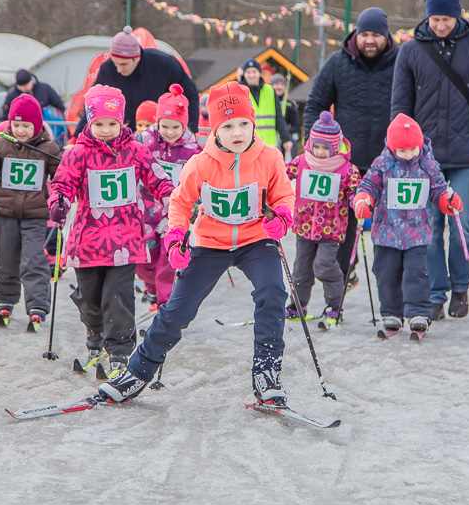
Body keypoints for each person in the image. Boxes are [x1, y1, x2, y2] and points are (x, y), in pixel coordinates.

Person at [98, 81, 295, 405]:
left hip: (255, 239)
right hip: (210, 243)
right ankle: (137, 371)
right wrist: (176, 238)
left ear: (253, 124)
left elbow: (284, 193)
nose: (237, 132)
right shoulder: (201, 163)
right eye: (228, 125)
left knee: (273, 292)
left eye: (244, 124)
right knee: (177, 310)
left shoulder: (270, 157)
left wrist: (283, 216)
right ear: (214, 129)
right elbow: (180, 202)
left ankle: (267, 370)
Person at [391, 0, 469, 320]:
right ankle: (435, 292)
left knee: (461, 226)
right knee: (426, 228)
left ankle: (460, 288)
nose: (440, 25)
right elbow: (400, 107)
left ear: (458, 15)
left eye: (446, 19)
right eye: (435, 19)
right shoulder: (410, 51)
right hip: (421, 158)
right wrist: (399, 149)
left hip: (466, 158)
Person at [48, 85, 174, 376]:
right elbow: (62, 184)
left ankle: (120, 348)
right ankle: (94, 333)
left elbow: (159, 180)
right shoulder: (77, 154)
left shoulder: (136, 151)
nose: (106, 130)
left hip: (125, 240)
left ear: (122, 123)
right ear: (90, 123)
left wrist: (172, 200)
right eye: (99, 124)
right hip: (87, 241)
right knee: (90, 297)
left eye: (112, 124)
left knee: (118, 296)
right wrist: (59, 202)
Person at [304, 7, 399, 289]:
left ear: (386, 36)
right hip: (347, 162)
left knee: (392, 227)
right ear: (356, 34)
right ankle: (344, 278)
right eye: (365, 34)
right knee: (344, 229)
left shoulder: (402, 62)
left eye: (376, 35)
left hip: (390, 160)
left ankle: (393, 290)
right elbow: (315, 104)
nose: (370, 40)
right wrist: (315, 147)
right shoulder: (337, 63)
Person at [352, 114, 457, 337]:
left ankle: (419, 313)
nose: (408, 156)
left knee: (416, 273)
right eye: (402, 151)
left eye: (412, 150)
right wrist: (363, 199)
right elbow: (369, 184)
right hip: (386, 232)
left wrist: (447, 201)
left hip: (416, 233)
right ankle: (391, 312)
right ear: (391, 147)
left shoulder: (428, 164)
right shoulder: (382, 164)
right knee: (386, 273)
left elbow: (439, 188)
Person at [0, 94, 61, 328]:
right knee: (5, 259)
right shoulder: (2, 143)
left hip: (35, 214)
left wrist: (65, 180)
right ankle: (5, 300)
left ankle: (37, 305)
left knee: (33, 260)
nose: (21, 130)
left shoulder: (47, 147)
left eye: (26, 125)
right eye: (16, 125)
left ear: (37, 125)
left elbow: (61, 173)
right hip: (5, 212)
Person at [285, 111, 361, 322]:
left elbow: (356, 190)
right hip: (304, 227)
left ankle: (335, 305)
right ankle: (297, 305)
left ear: (334, 147)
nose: (319, 153)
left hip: (331, 229)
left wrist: (360, 202)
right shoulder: (302, 161)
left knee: (324, 265)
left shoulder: (346, 169)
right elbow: (282, 174)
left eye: (324, 148)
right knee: (301, 269)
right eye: (316, 146)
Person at [136, 83, 201, 312]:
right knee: (144, 258)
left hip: (173, 213)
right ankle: (150, 286)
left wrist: (197, 204)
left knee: (168, 259)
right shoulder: (143, 141)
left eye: (176, 127)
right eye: (165, 126)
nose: (170, 132)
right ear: (157, 122)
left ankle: (166, 304)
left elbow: (200, 179)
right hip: (144, 209)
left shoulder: (193, 150)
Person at [75, 27, 200, 135]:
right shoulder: (108, 68)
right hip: (123, 133)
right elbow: (94, 104)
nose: (119, 69)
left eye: (123, 64)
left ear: (136, 57)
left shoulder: (163, 63)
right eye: (116, 64)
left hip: (159, 134)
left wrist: (190, 127)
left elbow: (191, 95)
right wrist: (76, 136)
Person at [237, 60, 292, 157]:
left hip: (269, 145)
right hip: (248, 146)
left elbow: (279, 117)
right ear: (244, 74)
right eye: (248, 72)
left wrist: (286, 139)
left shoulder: (270, 90)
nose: (251, 75)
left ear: (259, 73)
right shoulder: (239, 92)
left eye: (254, 72)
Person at [0, 68, 65, 122]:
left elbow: (59, 105)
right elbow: (5, 115)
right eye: (21, 86)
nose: (24, 88)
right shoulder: (12, 95)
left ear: (32, 80)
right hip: (20, 128)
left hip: (44, 125)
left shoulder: (44, 89)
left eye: (26, 85)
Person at [271, 74, 300, 153]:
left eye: (282, 84)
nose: (279, 87)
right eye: (277, 84)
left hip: (287, 138)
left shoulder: (290, 104)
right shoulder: (267, 102)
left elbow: (296, 124)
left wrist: (286, 131)